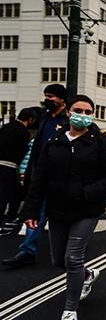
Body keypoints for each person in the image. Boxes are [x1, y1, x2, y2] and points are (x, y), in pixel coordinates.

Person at [21, 95, 106, 320]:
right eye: (78, 110)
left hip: (87, 209)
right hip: (57, 208)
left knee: (73, 258)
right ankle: (87, 275)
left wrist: (87, 192)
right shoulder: (55, 140)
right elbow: (40, 177)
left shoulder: (100, 142)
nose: (83, 115)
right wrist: (31, 210)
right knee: (59, 260)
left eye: (88, 112)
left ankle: (70, 309)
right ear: (69, 112)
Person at [3, 84, 69, 268]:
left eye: (51, 96)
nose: (47, 99)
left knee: (63, 214)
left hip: (61, 176)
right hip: (41, 174)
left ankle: (72, 248)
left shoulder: (68, 119)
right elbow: (36, 146)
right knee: (36, 212)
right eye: (46, 96)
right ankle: (27, 250)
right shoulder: (43, 118)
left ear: (62, 99)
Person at [0, 108, 39, 234]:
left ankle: (10, 217)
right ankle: (7, 220)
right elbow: (23, 153)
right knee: (5, 196)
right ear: (31, 119)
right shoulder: (24, 133)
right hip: (10, 166)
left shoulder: (5, 127)